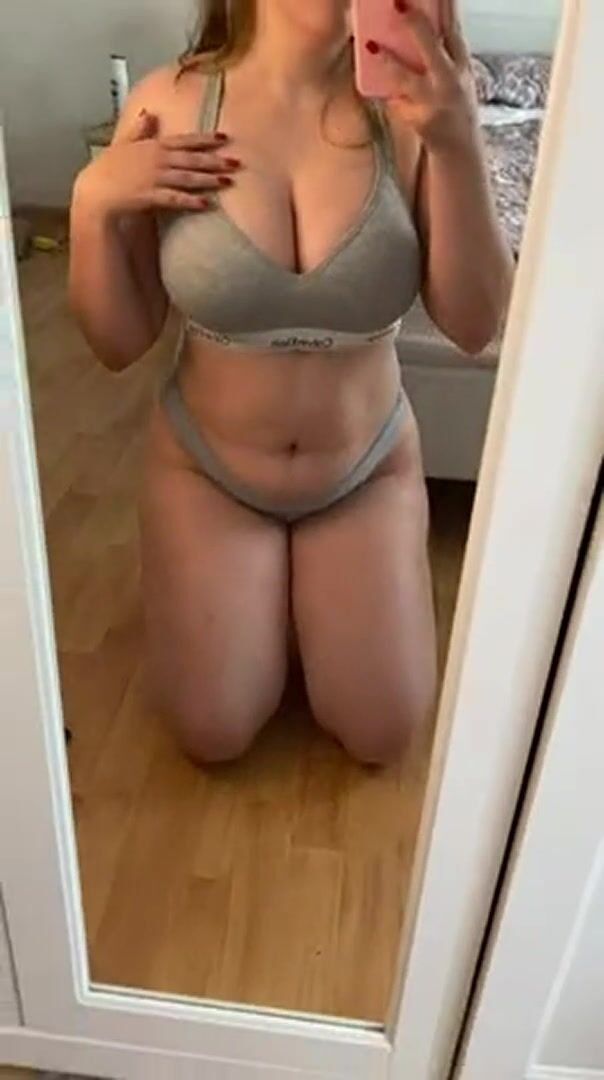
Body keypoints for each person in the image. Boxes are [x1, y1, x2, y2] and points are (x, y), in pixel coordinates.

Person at [69, 0, 513, 766]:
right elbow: (118, 343)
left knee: (382, 733)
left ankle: (296, 601)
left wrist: (459, 140)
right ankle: (264, 600)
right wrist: (91, 207)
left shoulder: (414, 111)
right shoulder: (167, 103)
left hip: (365, 470)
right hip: (208, 472)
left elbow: (476, 326)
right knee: (214, 731)